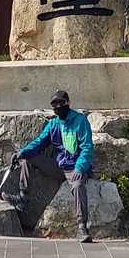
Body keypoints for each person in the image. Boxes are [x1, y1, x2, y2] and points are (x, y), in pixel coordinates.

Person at [13, 90, 95, 242]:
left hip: (75, 167)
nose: (58, 106)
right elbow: (39, 142)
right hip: (58, 165)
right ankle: (23, 198)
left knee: (78, 186)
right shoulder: (53, 124)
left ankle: (82, 227)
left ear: (68, 103)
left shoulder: (80, 121)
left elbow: (87, 147)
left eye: (61, 103)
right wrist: (22, 152)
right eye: (54, 104)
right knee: (27, 157)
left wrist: (80, 167)